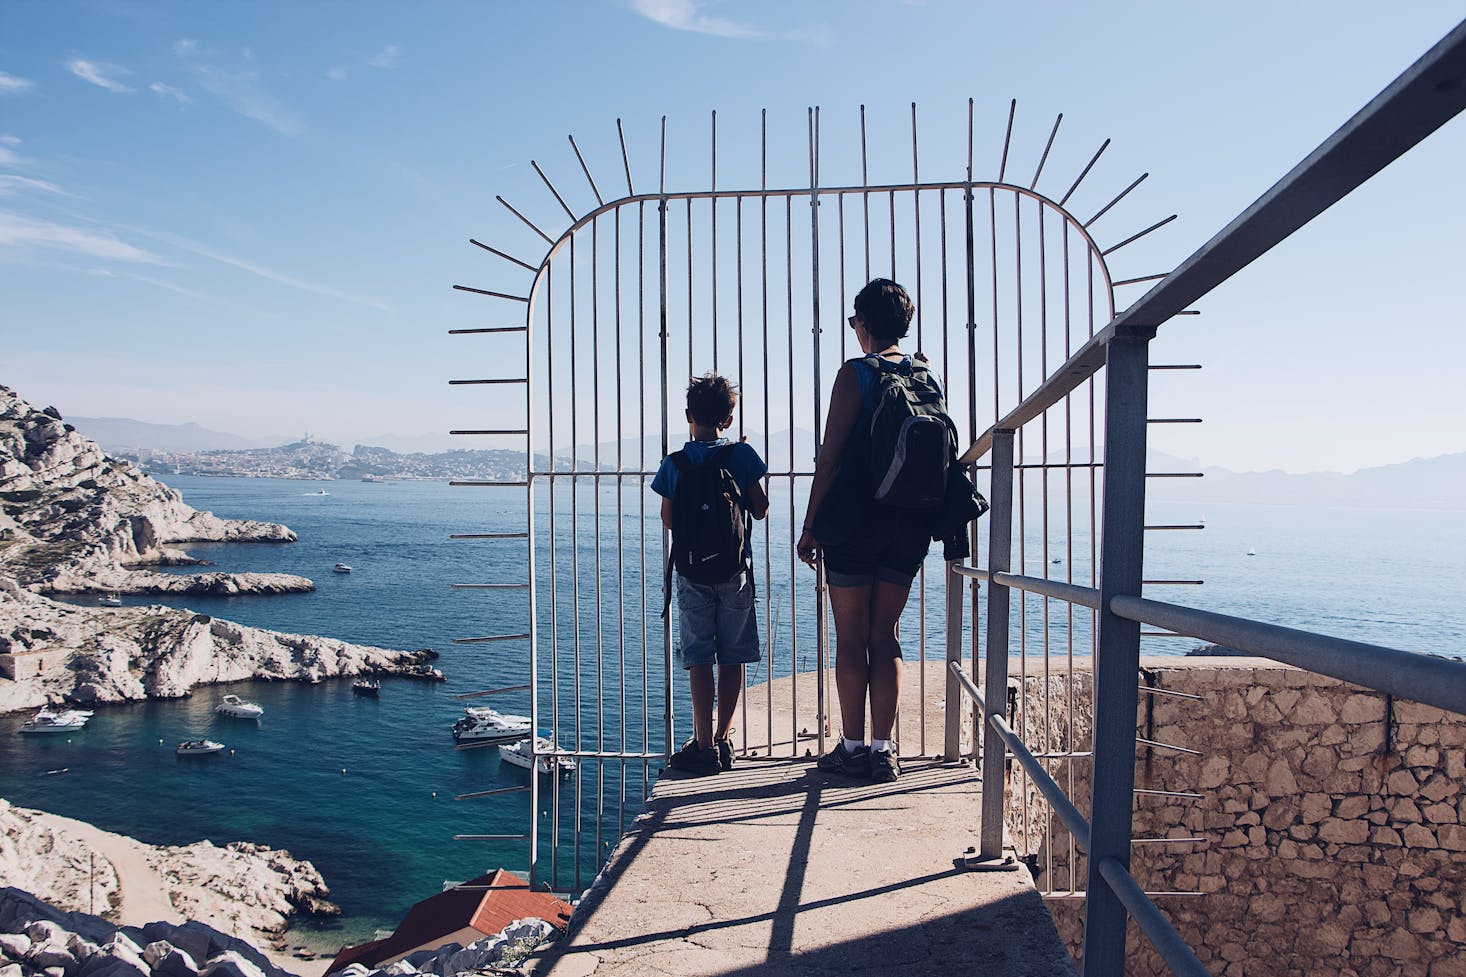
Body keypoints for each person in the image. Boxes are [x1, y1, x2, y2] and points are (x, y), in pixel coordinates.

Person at [797, 278, 932, 784]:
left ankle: (853, 748)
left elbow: (830, 461)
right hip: (909, 523)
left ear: (866, 324)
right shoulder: (924, 374)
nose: (853, 330)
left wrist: (811, 526)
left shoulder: (855, 375)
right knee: (887, 634)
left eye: (854, 321)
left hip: (855, 523)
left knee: (852, 636)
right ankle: (884, 750)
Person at [653, 373, 769, 776]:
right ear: (729, 419)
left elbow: (668, 521)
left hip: (691, 573)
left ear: (689, 415)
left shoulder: (675, 463)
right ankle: (723, 738)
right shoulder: (740, 456)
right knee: (732, 656)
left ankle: (702, 744)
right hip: (734, 571)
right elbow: (760, 509)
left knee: (698, 657)